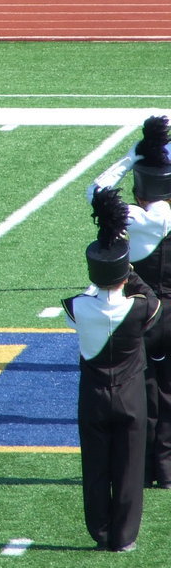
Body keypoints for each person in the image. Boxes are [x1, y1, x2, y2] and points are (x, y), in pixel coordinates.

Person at [63, 186, 162, 553]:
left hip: (92, 399)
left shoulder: (77, 307)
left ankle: (100, 531)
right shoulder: (139, 309)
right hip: (131, 397)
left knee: (96, 468)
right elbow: (152, 302)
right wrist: (128, 268)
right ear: (124, 272)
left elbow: (93, 292)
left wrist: (106, 263)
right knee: (130, 469)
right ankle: (123, 537)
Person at [86, 115, 171, 487]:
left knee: (143, 389)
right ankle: (168, 471)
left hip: (143, 312)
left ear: (139, 193)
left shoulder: (134, 218)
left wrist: (131, 156)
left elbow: (97, 190)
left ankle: (147, 468)